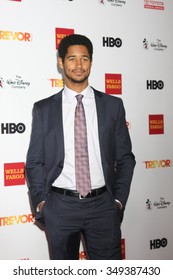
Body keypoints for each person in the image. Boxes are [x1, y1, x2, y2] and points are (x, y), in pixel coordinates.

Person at [25, 34, 136, 260]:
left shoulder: (113, 106)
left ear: (91, 62)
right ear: (61, 62)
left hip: (104, 206)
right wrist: (42, 202)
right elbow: (34, 161)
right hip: (60, 206)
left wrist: (118, 201)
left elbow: (126, 158)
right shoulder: (44, 109)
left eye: (84, 59)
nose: (78, 65)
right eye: (72, 59)